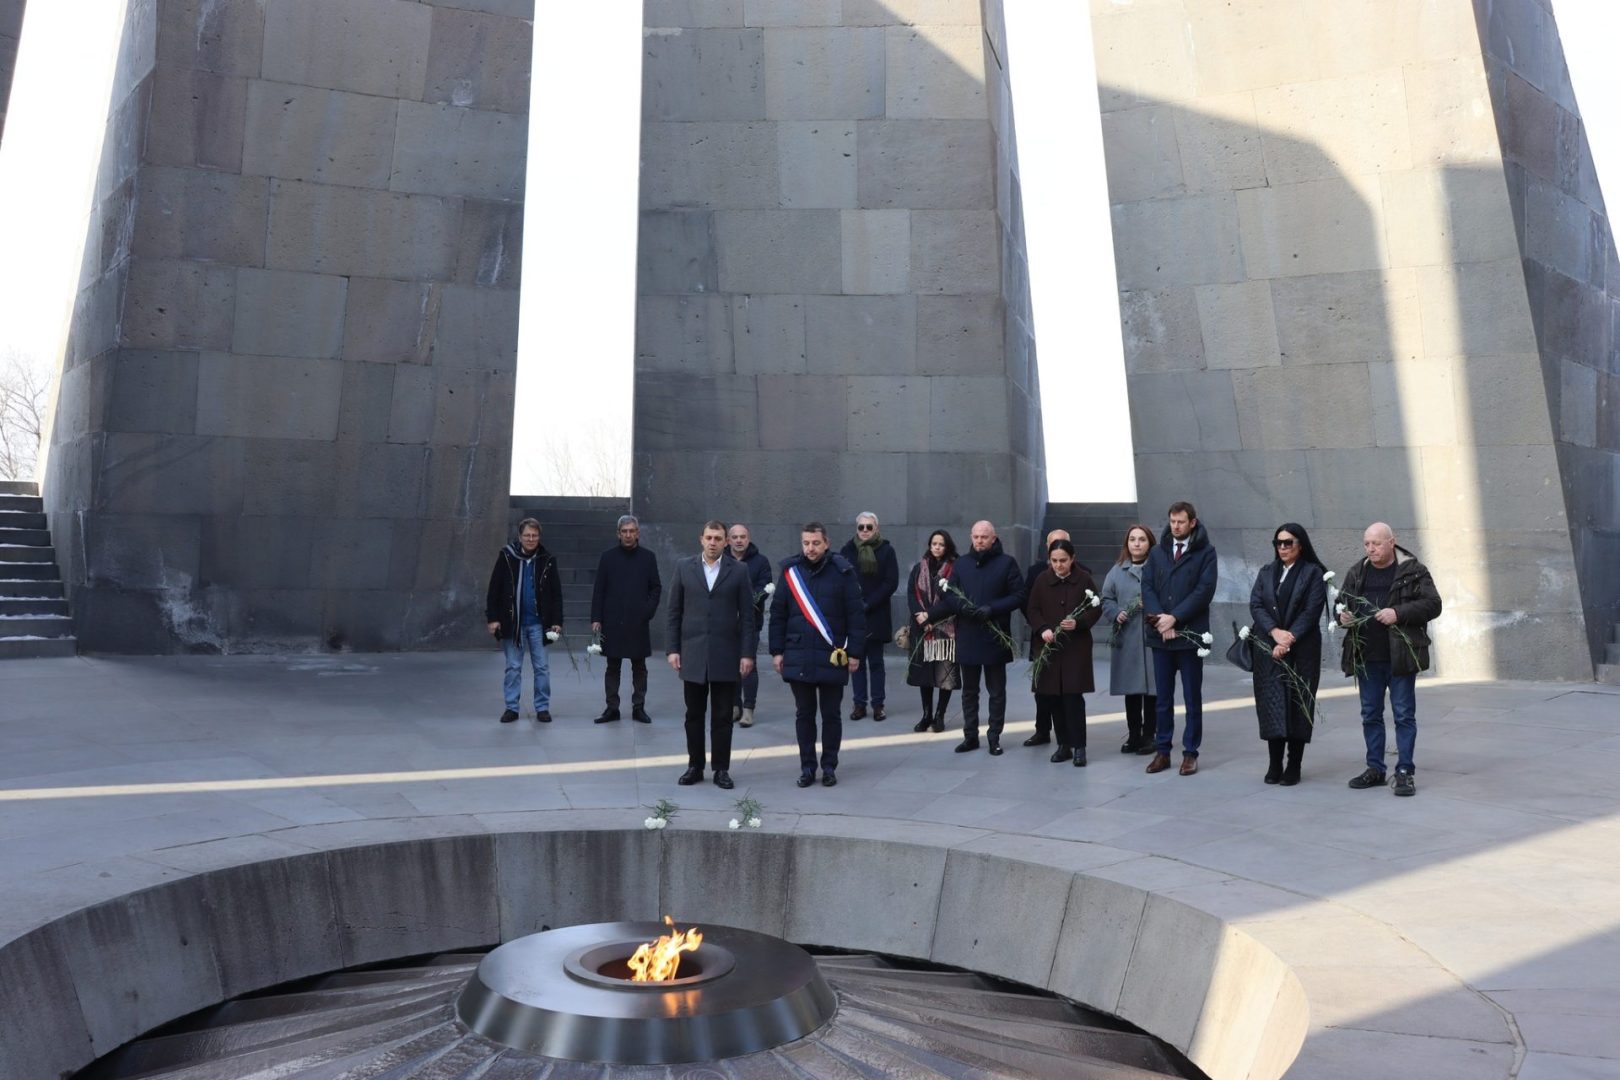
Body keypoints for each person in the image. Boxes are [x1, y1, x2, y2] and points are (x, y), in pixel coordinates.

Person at [1337, 522, 1442, 797]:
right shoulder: (1357, 572)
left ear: (1391, 542)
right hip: (1367, 657)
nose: (1370, 549)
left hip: (1400, 657)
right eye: (1366, 544)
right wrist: (1342, 617)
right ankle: (1375, 769)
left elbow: (1434, 605)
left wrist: (1398, 613)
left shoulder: (1413, 570)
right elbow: (1341, 604)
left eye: (1376, 543)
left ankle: (1405, 771)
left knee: (1403, 715)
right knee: (1370, 714)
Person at [769, 522, 866, 787]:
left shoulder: (843, 572)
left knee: (831, 715)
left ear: (826, 543)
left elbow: (856, 616)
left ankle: (829, 766)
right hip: (798, 653)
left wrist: (855, 653)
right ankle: (807, 768)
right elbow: (778, 614)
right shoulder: (791, 573)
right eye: (806, 543)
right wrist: (777, 651)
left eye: (815, 543)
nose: (810, 548)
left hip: (833, 654)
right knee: (804, 714)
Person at [666, 521, 758, 790]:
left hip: (725, 654)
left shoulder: (738, 570)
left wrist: (747, 654)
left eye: (718, 538)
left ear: (726, 542)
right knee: (693, 715)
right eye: (709, 537)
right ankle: (695, 766)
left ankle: (721, 769)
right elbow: (673, 612)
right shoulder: (684, 567)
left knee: (722, 716)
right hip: (693, 653)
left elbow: (748, 617)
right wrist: (673, 649)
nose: (713, 542)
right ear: (701, 539)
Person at [1248, 524, 1329, 786]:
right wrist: (1274, 632)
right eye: (1278, 543)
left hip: (1301, 649)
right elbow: (1256, 604)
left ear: (1300, 545)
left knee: (1298, 705)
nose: (1282, 547)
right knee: (1271, 704)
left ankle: (1294, 764)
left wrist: (1289, 638)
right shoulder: (1266, 571)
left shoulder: (1313, 573)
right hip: (1269, 649)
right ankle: (1274, 763)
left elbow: (1311, 610)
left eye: (1288, 542)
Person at [1142, 501, 1217, 776]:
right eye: (1172, 521)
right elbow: (1147, 586)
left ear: (1192, 523)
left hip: (1189, 636)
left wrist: (1175, 618)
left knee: (1191, 696)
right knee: (1162, 698)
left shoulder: (1206, 553)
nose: (1175, 526)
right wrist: (1161, 620)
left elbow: (1203, 591)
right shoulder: (1157, 552)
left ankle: (1190, 753)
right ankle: (1162, 751)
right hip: (1161, 636)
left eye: (1181, 522)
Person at [942, 520, 1025, 756]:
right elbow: (950, 593)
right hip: (968, 634)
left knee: (996, 691)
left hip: (994, 636)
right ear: (971, 537)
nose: (979, 541)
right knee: (969, 691)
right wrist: (962, 607)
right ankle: (970, 736)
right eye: (976, 536)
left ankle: (994, 737)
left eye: (984, 537)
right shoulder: (961, 563)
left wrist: (992, 608)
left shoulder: (1007, 563)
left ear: (993, 538)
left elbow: (1019, 595)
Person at [1027, 539, 1103, 766]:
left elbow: (1095, 608)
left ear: (1072, 559)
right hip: (1050, 647)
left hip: (1075, 648)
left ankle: (1079, 746)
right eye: (1054, 561)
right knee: (1053, 698)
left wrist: (1079, 622)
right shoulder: (1042, 580)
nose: (1058, 565)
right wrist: (1043, 628)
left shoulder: (1084, 579)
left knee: (1073, 698)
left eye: (1063, 560)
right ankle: (1063, 745)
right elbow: (1033, 609)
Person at [485, 518, 562, 724]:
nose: (530, 539)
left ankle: (542, 707)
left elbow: (556, 593)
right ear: (520, 537)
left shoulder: (547, 559)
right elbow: (494, 589)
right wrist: (492, 618)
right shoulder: (506, 556)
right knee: (513, 667)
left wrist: (557, 620)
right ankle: (511, 707)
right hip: (513, 624)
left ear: (539, 537)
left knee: (542, 667)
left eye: (534, 535)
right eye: (527, 535)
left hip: (539, 624)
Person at [591, 514, 662, 724]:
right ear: (618, 534)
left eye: (632, 531)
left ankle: (639, 707)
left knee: (639, 667)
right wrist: (596, 618)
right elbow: (599, 590)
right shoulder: (607, 557)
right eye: (624, 531)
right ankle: (612, 708)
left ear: (638, 533)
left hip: (638, 621)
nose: (628, 535)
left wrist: (647, 611)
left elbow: (656, 587)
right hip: (612, 620)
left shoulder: (648, 557)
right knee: (612, 666)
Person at [1100, 524, 1157, 755]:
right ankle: (1134, 735)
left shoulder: (1158, 568)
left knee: (1153, 691)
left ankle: (1150, 736)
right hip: (1127, 638)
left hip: (1152, 637)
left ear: (1149, 543)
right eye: (1132, 539)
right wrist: (1116, 613)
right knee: (1131, 691)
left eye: (1142, 539)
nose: (1137, 543)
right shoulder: (1116, 571)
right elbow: (1106, 598)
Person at [840, 512, 899, 721]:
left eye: (869, 527)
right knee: (855, 661)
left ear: (876, 529)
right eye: (861, 527)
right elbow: (841, 579)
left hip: (877, 613)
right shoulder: (847, 550)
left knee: (876, 662)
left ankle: (878, 705)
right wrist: (854, 603)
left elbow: (891, 582)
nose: (865, 531)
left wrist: (870, 602)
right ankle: (859, 704)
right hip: (854, 614)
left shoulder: (886, 550)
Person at [905, 530, 961, 733]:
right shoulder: (919, 567)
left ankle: (939, 716)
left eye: (941, 544)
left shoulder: (955, 568)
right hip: (922, 629)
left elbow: (954, 599)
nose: (937, 547)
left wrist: (930, 617)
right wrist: (921, 618)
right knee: (925, 675)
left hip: (945, 630)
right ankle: (926, 715)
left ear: (948, 547)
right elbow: (912, 594)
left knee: (945, 675)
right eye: (934, 543)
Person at [1021, 528, 1069, 748]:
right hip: (1042, 638)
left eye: (1062, 542)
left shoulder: (1082, 573)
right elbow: (1027, 603)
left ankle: (1067, 733)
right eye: (1053, 543)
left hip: (1069, 640)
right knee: (1041, 688)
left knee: (1067, 690)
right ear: (1047, 547)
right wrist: (1041, 626)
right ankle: (1042, 730)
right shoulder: (1036, 572)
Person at [727, 522, 773, 728]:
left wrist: (746, 602)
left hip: (750, 622)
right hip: (725, 622)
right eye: (735, 537)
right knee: (730, 666)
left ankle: (748, 709)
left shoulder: (761, 561)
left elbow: (764, 587)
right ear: (728, 540)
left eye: (742, 537)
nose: (739, 540)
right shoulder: (721, 560)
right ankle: (734, 706)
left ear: (748, 539)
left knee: (748, 664)